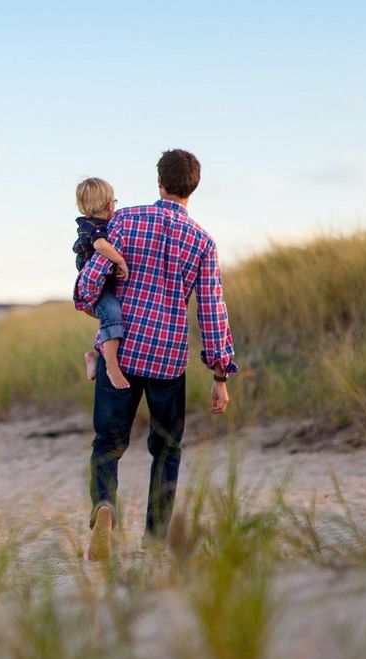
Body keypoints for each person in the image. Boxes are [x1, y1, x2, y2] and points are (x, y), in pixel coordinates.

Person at [73, 149, 238, 561]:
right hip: (168, 360)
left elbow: (89, 283)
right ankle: (156, 538)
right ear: (192, 187)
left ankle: (105, 507)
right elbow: (212, 310)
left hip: (123, 354)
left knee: (107, 445)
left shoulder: (125, 220)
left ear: (159, 182)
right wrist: (220, 376)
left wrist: (91, 301)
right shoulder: (202, 241)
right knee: (166, 449)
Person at [72, 178, 131, 390]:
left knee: (110, 318)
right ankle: (111, 367)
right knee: (113, 313)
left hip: (103, 284)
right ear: (108, 204)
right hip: (97, 288)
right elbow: (100, 246)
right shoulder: (94, 227)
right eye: (114, 201)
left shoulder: (97, 224)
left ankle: (95, 355)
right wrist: (120, 260)